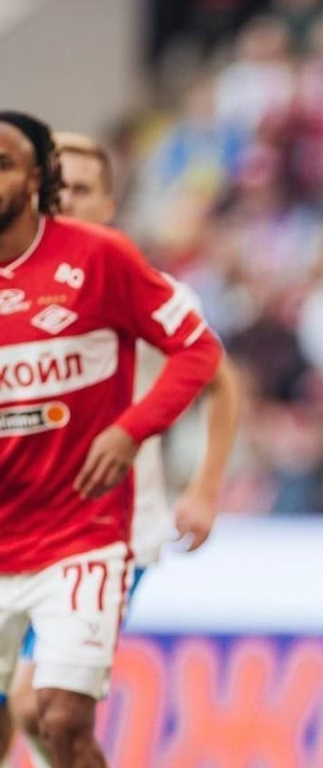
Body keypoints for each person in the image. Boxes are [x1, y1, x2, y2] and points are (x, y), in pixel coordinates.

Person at [0, 132, 240, 768]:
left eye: (82, 190)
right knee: (15, 708)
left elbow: (219, 377)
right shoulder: (22, 281)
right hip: (22, 522)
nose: (65, 201)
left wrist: (205, 489)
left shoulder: (136, 280)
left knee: (38, 705)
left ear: (108, 204)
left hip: (114, 525)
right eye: (59, 188)